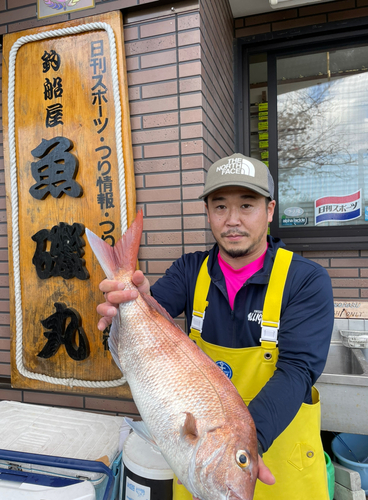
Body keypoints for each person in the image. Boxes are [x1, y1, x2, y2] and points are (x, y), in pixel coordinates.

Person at [97, 153, 334, 500]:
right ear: (208, 213)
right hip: (203, 470)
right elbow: (141, 329)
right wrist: (126, 306)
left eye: (247, 206)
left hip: (273, 468)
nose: (233, 220)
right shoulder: (190, 270)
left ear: (269, 211)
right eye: (220, 207)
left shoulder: (306, 280)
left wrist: (242, 452)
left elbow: (297, 371)